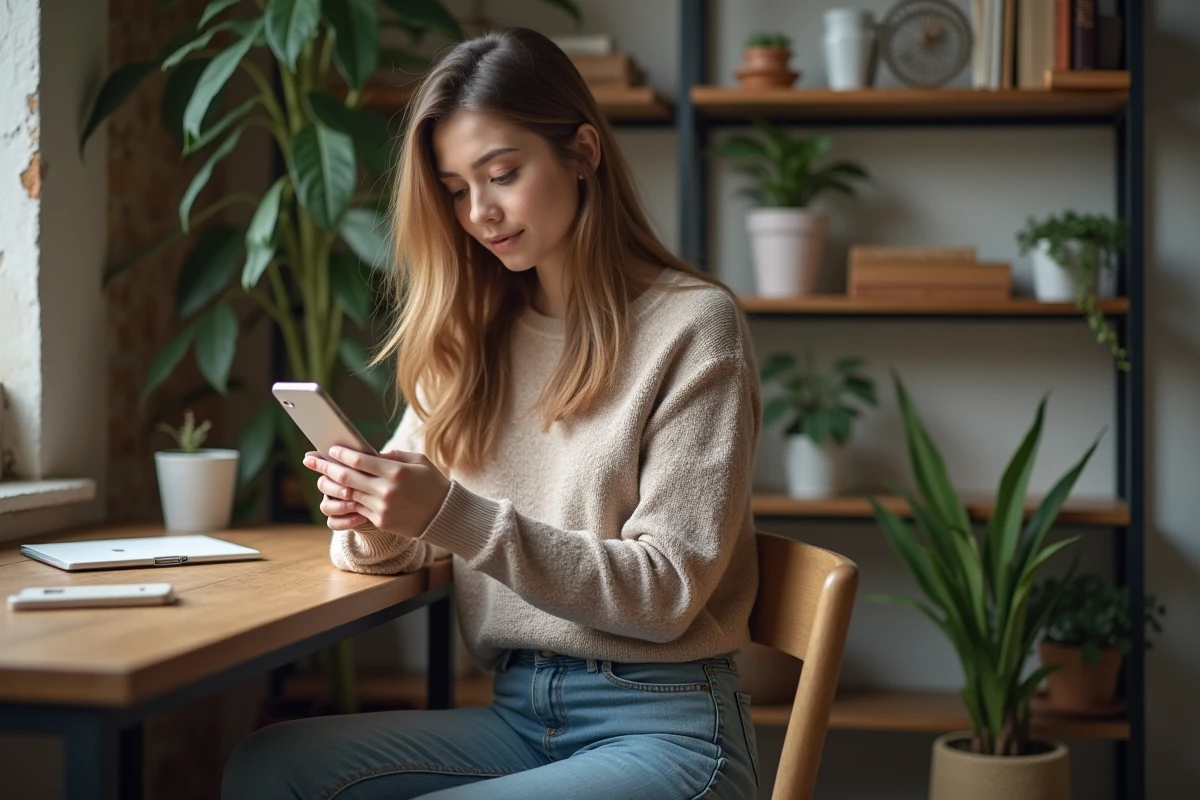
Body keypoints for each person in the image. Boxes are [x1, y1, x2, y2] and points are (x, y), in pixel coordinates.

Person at [222, 25, 762, 800]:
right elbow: (398, 544)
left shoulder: (694, 325)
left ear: (582, 152)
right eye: (454, 189)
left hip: (666, 726)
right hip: (520, 713)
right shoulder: (476, 332)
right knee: (268, 768)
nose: (480, 213)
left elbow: (666, 591)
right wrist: (372, 513)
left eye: (502, 174)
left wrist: (446, 512)